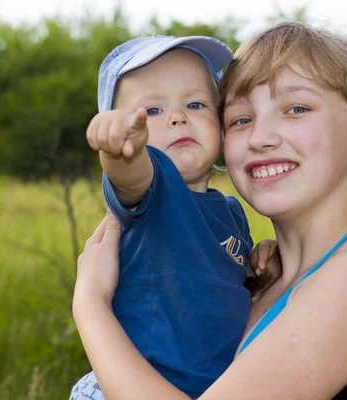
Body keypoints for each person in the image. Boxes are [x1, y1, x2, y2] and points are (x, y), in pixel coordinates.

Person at [73, 21, 347, 399]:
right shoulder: (259, 274)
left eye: (296, 108)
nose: (261, 138)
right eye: (241, 120)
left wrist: (90, 304)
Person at [70, 35, 274, 400]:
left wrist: (259, 262)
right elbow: (129, 173)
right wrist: (120, 147)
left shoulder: (230, 211)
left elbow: (221, 283)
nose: (178, 118)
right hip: (134, 385)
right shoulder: (154, 191)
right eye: (150, 112)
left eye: (195, 104)